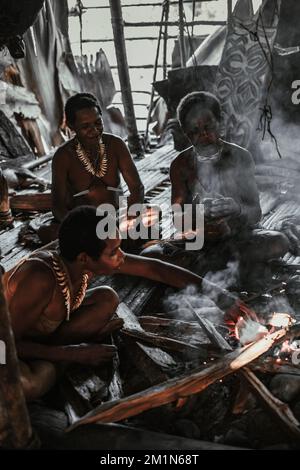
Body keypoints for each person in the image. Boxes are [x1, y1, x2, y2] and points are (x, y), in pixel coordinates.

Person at [5, 206, 204, 401]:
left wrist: (219, 294)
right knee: (27, 386)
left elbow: (154, 268)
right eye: (114, 251)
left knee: (107, 298)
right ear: (84, 258)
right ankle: (62, 360)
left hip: (41, 339)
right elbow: (6, 343)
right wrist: (71, 354)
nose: (122, 256)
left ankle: (58, 359)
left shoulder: (78, 261)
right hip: (6, 344)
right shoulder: (40, 279)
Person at [142, 91, 289, 284]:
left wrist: (236, 209)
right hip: (200, 242)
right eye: (194, 131)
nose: (203, 135)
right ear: (186, 134)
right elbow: (179, 221)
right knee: (150, 254)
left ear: (220, 123)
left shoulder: (241, 157)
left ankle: (206, 268)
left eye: (208, 127)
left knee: (278, 242)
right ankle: (230, 267)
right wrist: (199, 215)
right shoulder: (181, 165)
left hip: (239, 238)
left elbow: (255, 213)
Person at [38, 93, 144, 243]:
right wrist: (80, 228)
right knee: (47, 233)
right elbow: (58, 207)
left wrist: (131, 216)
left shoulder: (116, 145)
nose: (94, 130)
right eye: (85, 126)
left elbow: (137, 188)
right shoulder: (63, 157)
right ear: (71, 126)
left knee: (151, 218)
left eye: (98, 123)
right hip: (84, 225)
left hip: (116, 217)